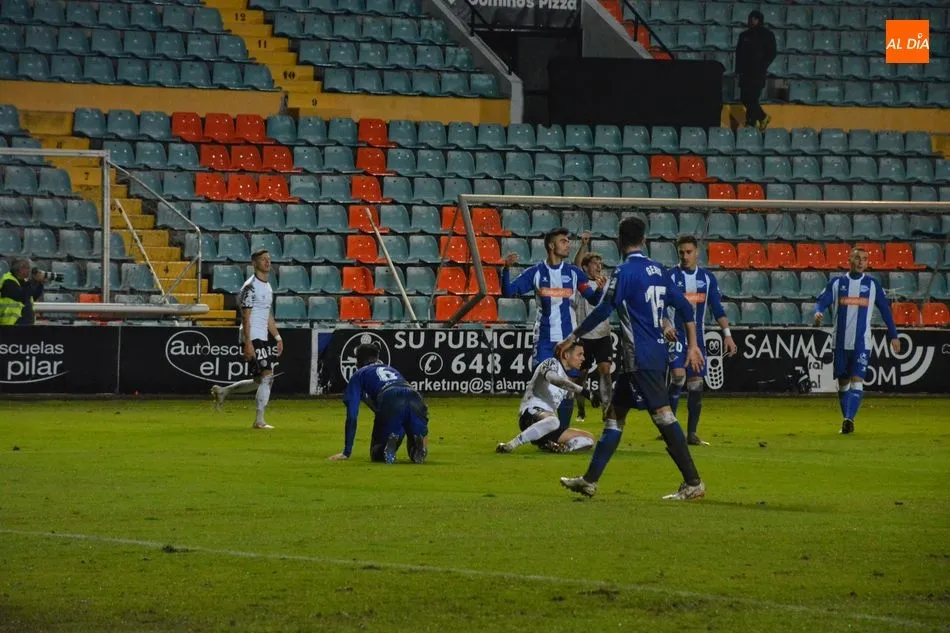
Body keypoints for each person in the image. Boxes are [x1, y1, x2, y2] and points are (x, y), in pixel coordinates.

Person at [555, 217, 706, 501]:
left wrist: (572, 337)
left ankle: (693, 482)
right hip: (645, 357)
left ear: (618, 241)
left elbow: (603, 310)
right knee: (614, 417)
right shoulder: (659, 271)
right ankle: (589, 481)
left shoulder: (624, 272)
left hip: (640, 357)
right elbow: (686, 308)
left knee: (664, 416)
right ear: (644, 241)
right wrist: (693, 345)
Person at [502, 227, 603, 431]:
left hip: (567, 341)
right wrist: (505, 269)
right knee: (543, 386)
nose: (568, 244)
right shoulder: (536, 273)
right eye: (563, 241)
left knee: (568, 389)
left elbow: (592, 299)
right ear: (551, 245)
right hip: (545, 339)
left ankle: (560, 434)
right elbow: (509, 291)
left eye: (568, 241)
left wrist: (600, 290)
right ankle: (541, 429)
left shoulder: (574, 273)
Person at [813, 247, 900, 435]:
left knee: (857, 379)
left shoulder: (872, 285)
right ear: (849, 260)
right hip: (840, 342)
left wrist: (894, 335)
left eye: (865, 259)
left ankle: (849, 419)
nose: (861, 262)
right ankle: (847, 419)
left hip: (862, 342)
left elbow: (886, 311)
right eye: (858, 258)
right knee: (843, 383)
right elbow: (821, 301)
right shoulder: (837, 283)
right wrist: (818, 312)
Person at [664, 236, 737, 446]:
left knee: (696, 386)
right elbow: (661, 307)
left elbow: (717, 309)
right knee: (678, 378)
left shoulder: (707, 278)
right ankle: (669, 427)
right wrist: (666, 325)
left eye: (688, 252)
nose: (685, 256)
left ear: (697, 252)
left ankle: (692, 434)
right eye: (681, 252)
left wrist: (728, 335)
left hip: (698, 340)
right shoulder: (670, 276)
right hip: (676, 337)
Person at [211, 249, 282, 430]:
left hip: (261, 336)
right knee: (267, 376)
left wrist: (277, 336)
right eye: (263, 259)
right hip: (252, 335)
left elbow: (267, 315)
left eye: (269, 259)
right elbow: (245, 317)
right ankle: (259, 421)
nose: (267, 262)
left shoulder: (267, 286)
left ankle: (224, 391)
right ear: (254, 263)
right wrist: (248, 342)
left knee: (259, 380)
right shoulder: (249, 287)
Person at [328, 343, 429, 464]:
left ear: (359, 360)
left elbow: (352, 416)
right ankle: (418, 444)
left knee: (376, 454)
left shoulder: (359, 374)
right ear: (377, 357)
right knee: (413, 433)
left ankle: (389, 444)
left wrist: (346, 451)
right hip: (415, 396)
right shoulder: (391, 369)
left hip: (390, 397)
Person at [495, 342, 596, 454]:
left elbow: (570, 393)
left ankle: (559, 448)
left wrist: (585, 374)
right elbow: (553, 379)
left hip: (548, 426)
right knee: (553, 421)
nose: (583, 358)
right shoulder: (551, 363)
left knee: (589, 439)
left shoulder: (566, 378)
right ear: (566, 355)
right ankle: (511, 444)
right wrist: (583, 391)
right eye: (579, 354)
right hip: (531, 415)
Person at [573, 234, 613, 422]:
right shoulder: (580, 282)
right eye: (595, 263)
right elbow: (575, 265)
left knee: (605, 370)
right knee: (580, 376)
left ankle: (607, 409)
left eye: (600, 263)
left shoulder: (606, 283)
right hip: (584, 337)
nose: (598, 266)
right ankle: (581, 410)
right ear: (585, 267)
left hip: (603, 335)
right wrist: (583, 245)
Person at [735, 10, 777, 130]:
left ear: (759, 20)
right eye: (750, 18)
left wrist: (763, 65)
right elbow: (739, 54)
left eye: (754, 19)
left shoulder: (767, 35)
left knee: (752, 99)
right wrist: (738, 70)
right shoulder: (744, 35)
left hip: (758, 73)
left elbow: (772, 52)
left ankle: (751, 122)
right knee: (745, 99)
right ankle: (762, 117)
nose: (751, 21)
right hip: (745, 73)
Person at [0, 258, 48, 326]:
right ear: (20, 269)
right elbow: (22, 297)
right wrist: (32, 281)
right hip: (11, 325)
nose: (30, 270)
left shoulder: (23, 281)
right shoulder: (8, 282)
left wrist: (40, 283)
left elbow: (33, 296)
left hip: (25, 325)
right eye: (27, 268)